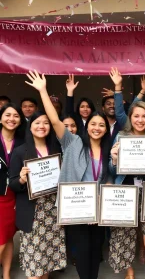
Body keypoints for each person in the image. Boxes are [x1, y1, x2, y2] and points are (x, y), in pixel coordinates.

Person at [23, 70, 112, 279]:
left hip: (99, 210)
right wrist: (43, 91)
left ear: (106, 129)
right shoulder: (73, 143)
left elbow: (110, 178)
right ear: (86, 127)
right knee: (81, 253)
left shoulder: (110, 150)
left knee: (95, 251)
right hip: (76, 208)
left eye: (101, 125)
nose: (97, 128)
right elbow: (55, 121)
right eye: (93, 124)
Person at [109, 101, 145, 279]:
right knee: (124, 237)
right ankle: (129, 272)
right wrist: (113, 159)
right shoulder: (120, 137)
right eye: (136, 116)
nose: (140, 120)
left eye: (144, 116)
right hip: (125, 193)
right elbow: (112, 170)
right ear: (130, 118)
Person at [9, 109, 66, 279]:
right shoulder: (20, 151)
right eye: (37, 122)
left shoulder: (57, 148)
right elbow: (12, 183)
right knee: (34, 264)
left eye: (46, 122)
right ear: (30, 125)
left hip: (53, 212)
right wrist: (20, 179)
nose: (42, 126)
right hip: (32, 213)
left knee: (47, 259)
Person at [0, 103, 26, 279]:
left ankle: (6, 274)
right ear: (1, 117)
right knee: (2, 237)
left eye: (16, 116)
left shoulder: (23, 141)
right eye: (8, 115)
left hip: (14, 194)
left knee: (8, 236)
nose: (11, 119)